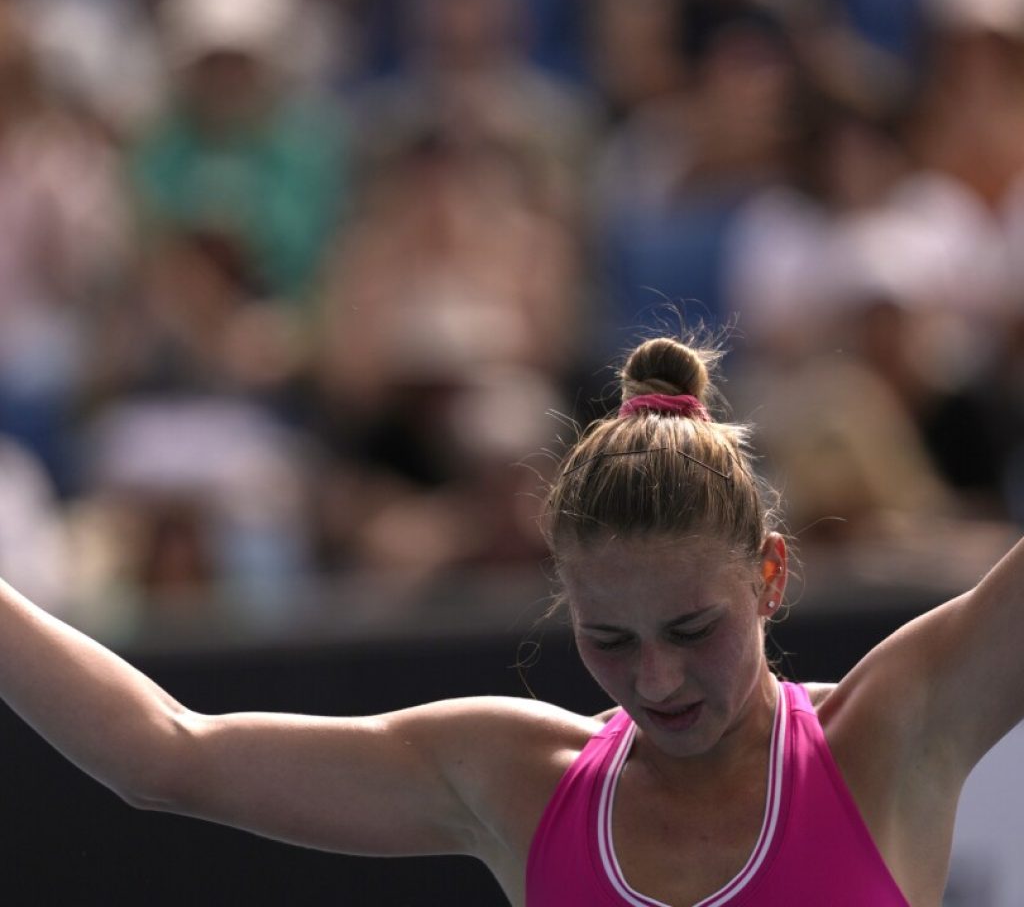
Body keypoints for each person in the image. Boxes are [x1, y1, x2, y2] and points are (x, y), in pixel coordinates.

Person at [0, 333, 1017, 905]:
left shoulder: (891, 732)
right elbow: (165, 752)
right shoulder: (517, 781)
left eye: (690, 628)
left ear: (769, 575)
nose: (655, 680)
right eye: (607, 640)